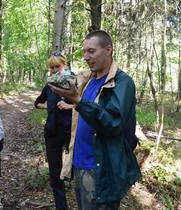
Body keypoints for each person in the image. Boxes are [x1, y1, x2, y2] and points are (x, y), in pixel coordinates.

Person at [49, 30, 141, 210]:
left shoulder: (122, 82)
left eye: (91, 51)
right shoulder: (89, 80)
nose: (85, 57)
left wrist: (77, 101)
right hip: (80, 165)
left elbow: (112, 123)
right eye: (84, 52)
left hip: (101, 170)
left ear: (108, 50)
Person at [34, 51, 74, 210]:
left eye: (57, 66)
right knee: (55, 173)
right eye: (52, 67)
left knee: (78, 169)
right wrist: (49, 107)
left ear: (65, 64)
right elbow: (37, 103)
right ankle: (61, 207)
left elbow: (86, 104)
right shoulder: (50, 84)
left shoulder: (74, 80)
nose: (55, 69)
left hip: (71, 132)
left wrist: (69, 106)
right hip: (51, 132)